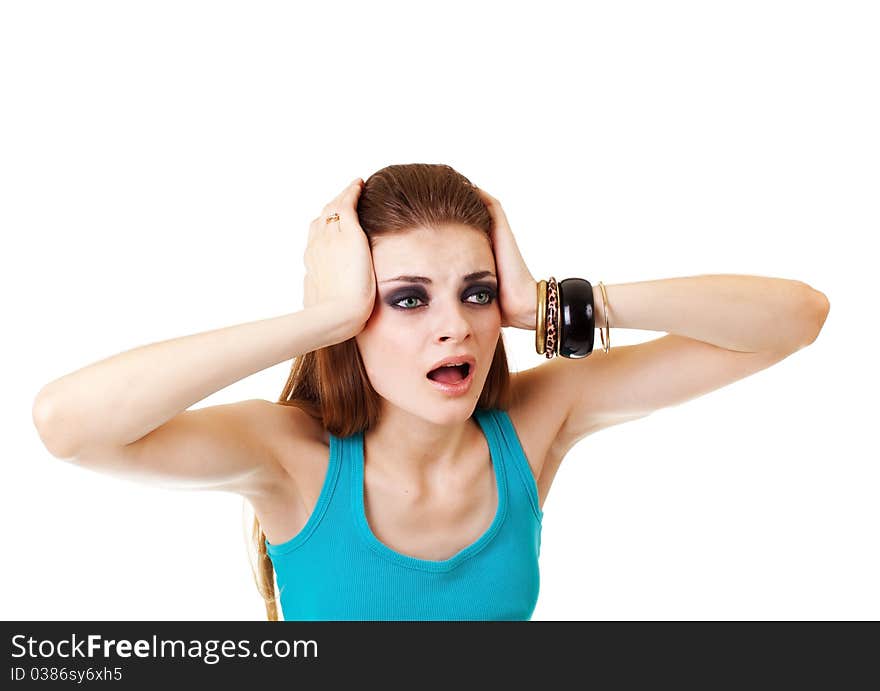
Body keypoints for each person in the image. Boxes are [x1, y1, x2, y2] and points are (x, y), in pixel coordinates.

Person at [31, 163, 830, 621]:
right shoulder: (291, 459)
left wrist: (550, 300)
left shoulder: (534, 424)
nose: (457, 327)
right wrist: (324, 317)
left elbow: (795, 319)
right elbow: (68, 424)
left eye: (477, 292)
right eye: (409, 298)